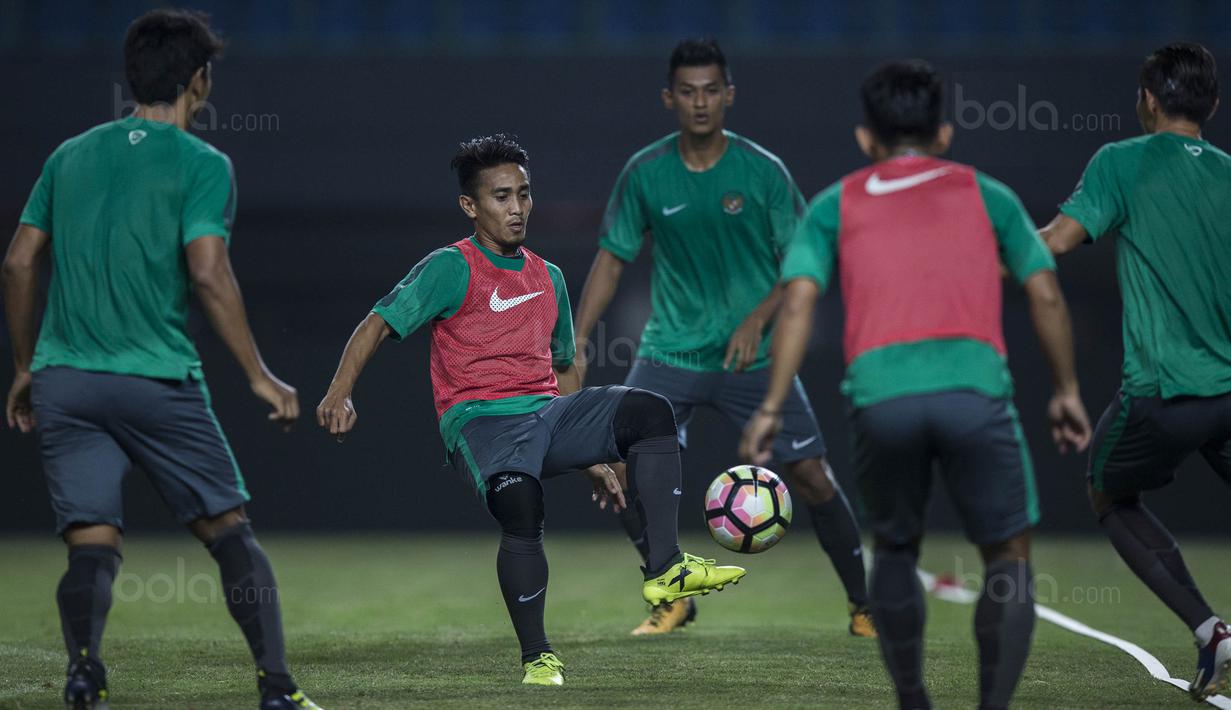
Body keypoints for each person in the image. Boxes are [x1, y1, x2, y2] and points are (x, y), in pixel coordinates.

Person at [315, 134, 745, 687]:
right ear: (470, 206)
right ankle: (538, 656)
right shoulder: (452, 267)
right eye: (500, 197)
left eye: (523, 193)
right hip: (481, 423)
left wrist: (594, 455)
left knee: (650, 412)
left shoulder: (549, 277)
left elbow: (564, 368)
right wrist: (340, 390)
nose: (516, 207)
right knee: (520, 503)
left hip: (547, 413)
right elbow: (378, 322)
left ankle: (666, 569)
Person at [740, 60, 1091, 710]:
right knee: (1008, 557)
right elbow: (1043, 290)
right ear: (945, 133)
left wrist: (769, 405)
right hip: (973, 393)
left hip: (881, 400)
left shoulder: (834, 203)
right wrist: (1066, 388)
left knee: (895, 550)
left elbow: (796, 303)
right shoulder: (989, 194)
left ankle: (912, 700)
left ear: (865, 139)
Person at [1, 9, 320, 710]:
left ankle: (84, 674)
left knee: (92, 542)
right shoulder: (203, 163)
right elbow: (208, 272)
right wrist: (259, 375)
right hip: (154, 381)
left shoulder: (69, 155)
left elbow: (20, 262)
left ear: (133, 77)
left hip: (66, 381)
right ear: (199, 80)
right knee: (229, 533)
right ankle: (276, 687)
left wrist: (26, 365)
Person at [572, 37, 874, 638]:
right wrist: (578, 339)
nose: (700, 102)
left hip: (754, 358)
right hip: (671, 351)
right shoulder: (646, 173)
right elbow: (610, 261)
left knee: (812, 476)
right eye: (688, 92)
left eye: (711, 90)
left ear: (729, 95)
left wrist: (759, 316)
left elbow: (803, 265)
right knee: (621, 469)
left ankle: (864, 606)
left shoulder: (762, 172)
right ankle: (673, 595)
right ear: (669, 98)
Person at [1040, 42, 1231, 701]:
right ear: (1210, 103)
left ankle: (1209, 630)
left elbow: (1057, 244)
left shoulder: (1119, 162)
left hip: (1162, 394)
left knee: (1107, 490)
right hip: (1229, 388)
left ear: (1147, 100)